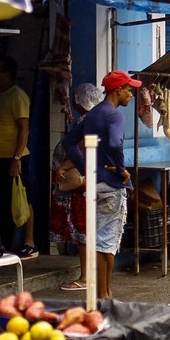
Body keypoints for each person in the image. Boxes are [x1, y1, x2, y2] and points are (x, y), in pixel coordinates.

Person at [60, 71, 140, 299]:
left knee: (96, 238)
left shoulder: (91, 115)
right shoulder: (114, 115)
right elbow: (115, 144)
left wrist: (86, 168)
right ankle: (105, 294)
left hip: (93, 184)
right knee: (108, 240)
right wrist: (122, 169)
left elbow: (69, 142)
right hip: (111, 185)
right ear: (118, 91)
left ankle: (99, 293)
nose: (131, 95)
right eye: (129, 90)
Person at [52, 83, 103, 292]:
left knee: (83, 230)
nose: (73, 101)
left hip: (82, 182)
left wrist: (63, 167)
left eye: (75, 98)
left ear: (81, 101)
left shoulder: (87, 122)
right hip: (91, 178)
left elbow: (82, 150)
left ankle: (85, 278)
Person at [0, 56, 37, 260]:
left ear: (7, 73)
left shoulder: (18, 96)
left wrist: (16, 157)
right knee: (2, 203)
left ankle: (29, 242)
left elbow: (24, 128)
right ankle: (6, 243)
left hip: (14, 158)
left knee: (23, 200)